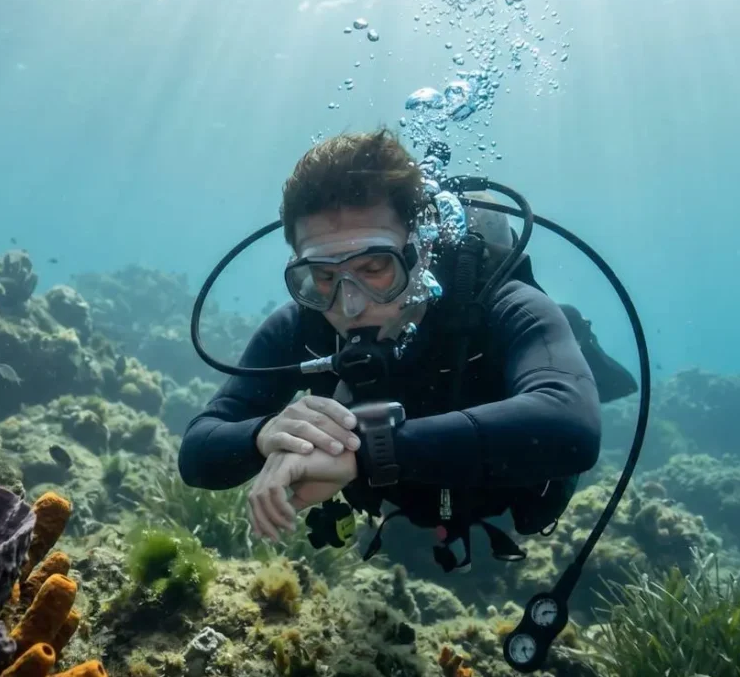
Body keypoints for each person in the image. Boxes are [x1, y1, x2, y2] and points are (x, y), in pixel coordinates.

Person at [178, 128, 636, 570]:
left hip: (506, 496)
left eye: (375, 267)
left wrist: (358, 453)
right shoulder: (302, 325)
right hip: (400, 504)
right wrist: (266, 434)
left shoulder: (500, 303)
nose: (350, 303)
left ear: (421, 251)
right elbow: (198, 451)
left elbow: (570, 425)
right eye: (322, 276)